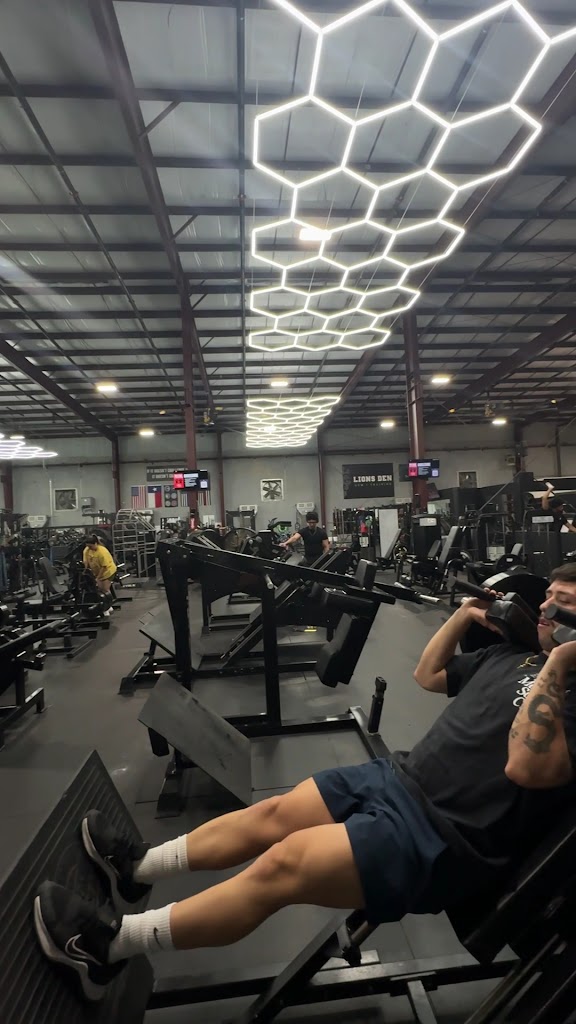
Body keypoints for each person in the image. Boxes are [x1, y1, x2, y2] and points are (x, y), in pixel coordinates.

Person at [34, 565, 576, 1002]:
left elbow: (525, 769)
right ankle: (138, 869)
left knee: (282, 866)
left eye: (563, 603)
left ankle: (108, 950)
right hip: (398, 776)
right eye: (546, 597)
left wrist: (558, 663)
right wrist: (464, 614)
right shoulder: (511, 655)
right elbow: (428, 675)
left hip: (440, 839)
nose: (544, 609)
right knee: (272, 814)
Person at [82, 534, 117, 616]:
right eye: (88, 546)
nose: (89, 548)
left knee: (104, 589)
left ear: (95, 543)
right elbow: (86, 561)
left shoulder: (102, 551)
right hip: (97, 571)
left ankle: (107, 608)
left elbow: (104, 567)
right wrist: (85, 571)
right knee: (100, 589)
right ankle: (107, 606)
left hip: (108, 571)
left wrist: (98, 578)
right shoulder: (87, 550)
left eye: (90, 546)